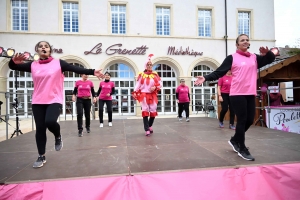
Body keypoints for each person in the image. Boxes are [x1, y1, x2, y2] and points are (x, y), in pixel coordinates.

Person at [8, 41, 104, 168]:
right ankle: (41, 156)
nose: (43, 48)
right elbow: (13, 67)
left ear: (50, 50)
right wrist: (13, 61)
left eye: (46, 46)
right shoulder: (33, 65)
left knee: (50, 122)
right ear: (37, 50)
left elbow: (75, 69)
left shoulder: (58, 63)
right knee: (40, 128)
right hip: (38, 101)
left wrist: (92, 71)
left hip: (54, 99)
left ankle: (57, 135)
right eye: (40, 46)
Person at [194, 34, 275, 161]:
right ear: (237, 44)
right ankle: (241, 147)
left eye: (247, 40)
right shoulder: (232, 58)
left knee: (249, 120)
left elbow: (269, 60)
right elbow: (219, 72)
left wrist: (268, 53)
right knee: (242, 120)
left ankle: (235, 140)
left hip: (250, 93)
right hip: (237, 94)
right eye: (242, 40)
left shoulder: (254, 57)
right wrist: (205, 77)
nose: (245, 41)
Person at [132, 54, 161, 136]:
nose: (149, 66)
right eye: (148, 64)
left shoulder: (155, 74)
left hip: (153, 95)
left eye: (150, 64)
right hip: (144, 95)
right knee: (145, 111)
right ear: (145, 65)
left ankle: (150, 125)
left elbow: (160, 84)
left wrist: (155, 87)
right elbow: (138, 84)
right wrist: (134, 92)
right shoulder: (142, 75)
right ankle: (146, 129)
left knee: (153, 110)